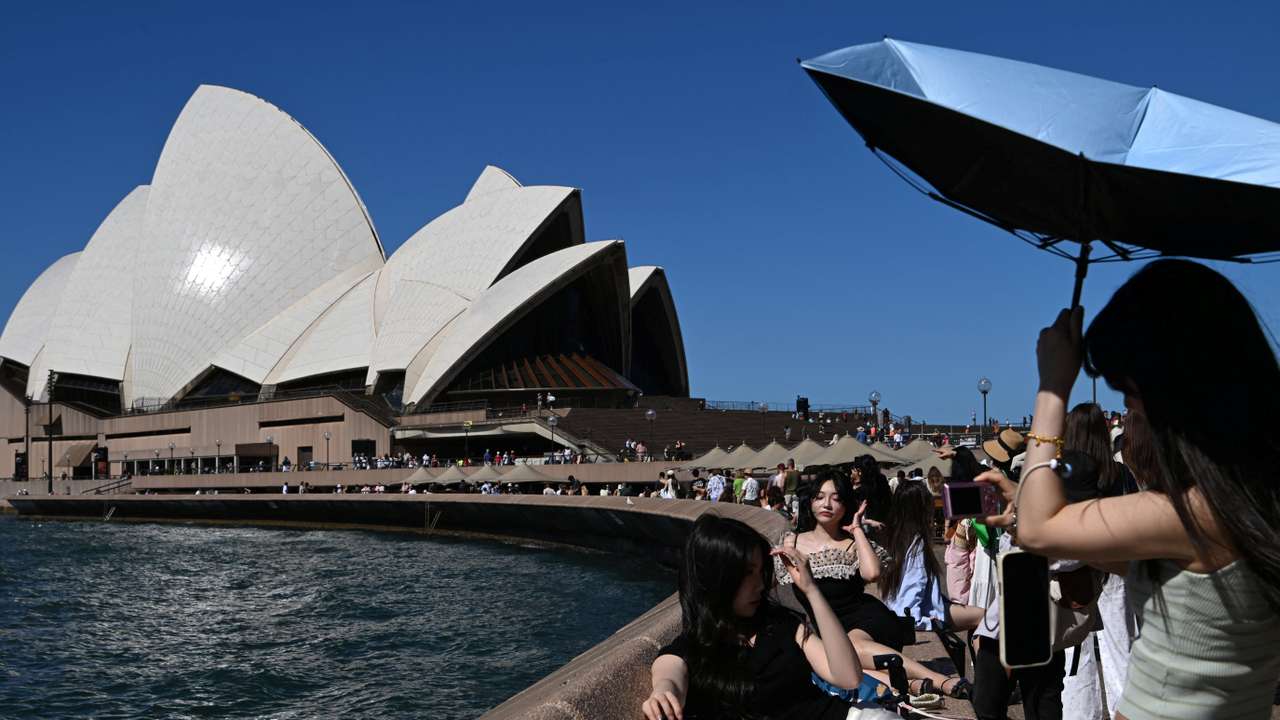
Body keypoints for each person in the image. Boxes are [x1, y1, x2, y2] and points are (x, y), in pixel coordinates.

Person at [983, 260, 1280, 720]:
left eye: (1134, 400)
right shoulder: (1249, 502)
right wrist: (1026, 509)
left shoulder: (1193, 512)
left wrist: (1052, 387)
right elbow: (1155, 571)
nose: (1131, 418)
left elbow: (1044, 531)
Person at [641, 514, 897, 720]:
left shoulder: (781, 624)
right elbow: (669, 674)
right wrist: (664, 692)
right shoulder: (695, 647)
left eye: (761, 571)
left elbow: (848, 677)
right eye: (746, 573)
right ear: (717, 579)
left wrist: (811, 590)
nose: (759, 585)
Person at [781, 470, 971, 700]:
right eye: (819, 497)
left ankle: (942, 681)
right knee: (839, 664)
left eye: (836, 498)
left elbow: (872, 573)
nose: (827, 504)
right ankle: (911, 685)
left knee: (851, 647)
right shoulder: (792, 542)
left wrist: (857, 529)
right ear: (810, 501)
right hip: (824, 628)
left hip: (865, 622)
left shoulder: (852, 543)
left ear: (846, 504)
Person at [878, 480, 984, 631]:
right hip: (918, 613)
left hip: (895, 608)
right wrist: (920, 621)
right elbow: (915, 582)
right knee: (987, 617)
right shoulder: (917, 543)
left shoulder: (894, 537)